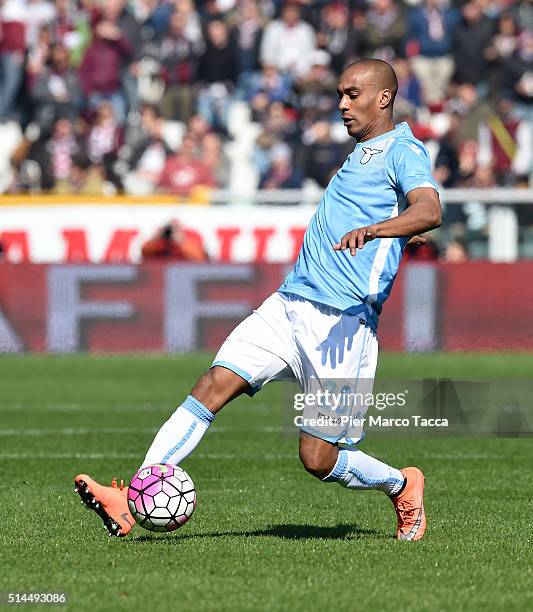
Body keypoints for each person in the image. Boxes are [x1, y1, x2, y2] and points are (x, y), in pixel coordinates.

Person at [74, 59, 441, 541]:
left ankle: (401, 484)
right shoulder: (361, 151)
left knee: (318, 458)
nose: (342, 104)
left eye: (352, 94)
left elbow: (429, 210)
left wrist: (377, 230)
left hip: (341, 324)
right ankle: (134, 494)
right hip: (288, 303)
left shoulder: (403, 150)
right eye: (340, 94)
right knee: (212, 384)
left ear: (384, 98)